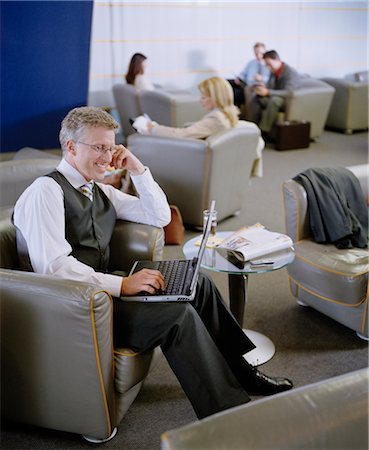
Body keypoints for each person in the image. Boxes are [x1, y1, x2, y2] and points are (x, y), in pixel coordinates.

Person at [13, 106, 292, 420]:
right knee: (178, 315)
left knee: (196, 282)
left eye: (111, 147)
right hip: (75, 307)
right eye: (99, 148)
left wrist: (137, 168)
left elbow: (159, 216)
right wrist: (123, 284)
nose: (107, 157)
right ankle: (226, 414)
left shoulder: (100, 190)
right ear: (71, 147)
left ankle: (243, 371)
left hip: (104, 291)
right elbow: (53, 268)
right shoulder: (45, 192)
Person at [247, 50, 301, 139]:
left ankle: (263, 132)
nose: (267, 67)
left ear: (277, 60)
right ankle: (251, 127)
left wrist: (268, 92)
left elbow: (289, 92)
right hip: (276, 97)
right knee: (257, 97)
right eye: (266, 65)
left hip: (288, 100)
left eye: (269, 64)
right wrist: (261, 88)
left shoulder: (290, 72)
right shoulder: (273, 72)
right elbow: (269, 87)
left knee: (275, 100)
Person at [228, 42, 271, 107]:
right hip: (245, 83)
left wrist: (261, 78)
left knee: (234, 92)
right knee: (226, 82)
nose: (258, 56)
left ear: (265, 51)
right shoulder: (251, 63)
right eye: (256, 54)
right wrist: (239, 78)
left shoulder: (269, 64)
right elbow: (243, 73)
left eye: (261, 53)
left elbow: (272, 80)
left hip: (254, 86)